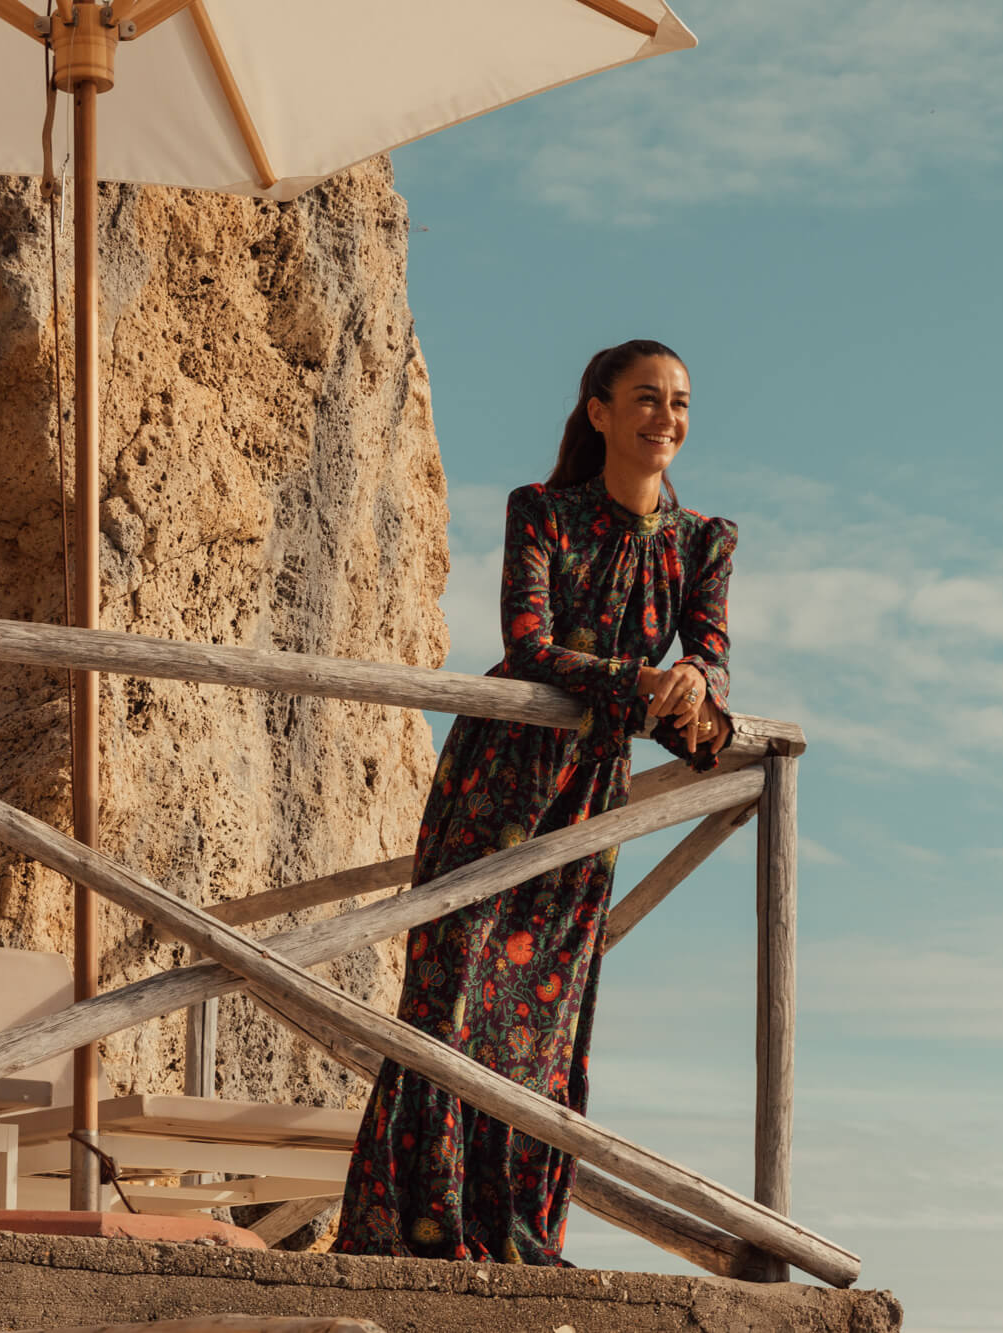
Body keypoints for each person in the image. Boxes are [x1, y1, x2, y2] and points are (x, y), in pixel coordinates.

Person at [332, 339, 736, 1264]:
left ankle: (512, 1227)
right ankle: (414, 1230)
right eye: (643, 398)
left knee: (544, 1018)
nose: (663, 418)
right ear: (597, 411)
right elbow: (528, 645)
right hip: (497, 779)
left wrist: (694, 686)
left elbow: (711, 656)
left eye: (678, 403)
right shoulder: (542, 512)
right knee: (448, 997)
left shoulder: (703, 542)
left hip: (589, 798)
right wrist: (645, 683)